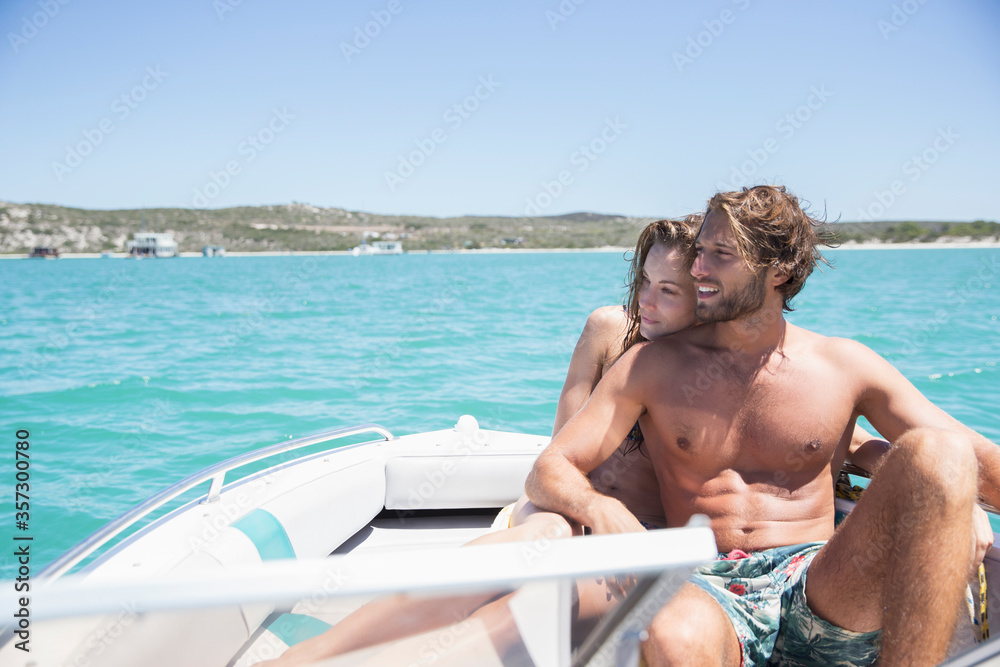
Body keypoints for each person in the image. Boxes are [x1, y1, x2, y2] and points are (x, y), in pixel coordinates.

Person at [525, 184, 999, 667]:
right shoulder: (652, 365)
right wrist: (598, 506)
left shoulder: (843, 365)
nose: (698, 268)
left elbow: (978, 461)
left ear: (780, 270)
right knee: (673, 634)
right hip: (704, 582)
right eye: (700, 251)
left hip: (820, 583)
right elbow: (551, 466)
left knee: (942, 453)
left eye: (721, 254)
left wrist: (951, 497)